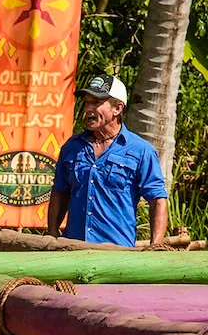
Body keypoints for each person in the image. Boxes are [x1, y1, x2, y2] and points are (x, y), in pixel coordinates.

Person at [47, 74, 168, 247]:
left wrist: (155, 245)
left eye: (95, 103)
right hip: (72, 250)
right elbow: (60, 192)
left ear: (117, 108)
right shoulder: (71, 148)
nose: (88, 108)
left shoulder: (140, 150)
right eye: (87, 102)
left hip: (117, 256)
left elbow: (157, 199)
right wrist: (52, 232)